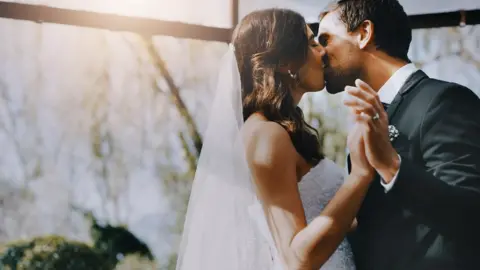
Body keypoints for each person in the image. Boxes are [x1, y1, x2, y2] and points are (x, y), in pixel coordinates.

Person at [176, 8, 373, 270]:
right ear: (285, 62)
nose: (322, 52)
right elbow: (296, 259)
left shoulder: (282, 131)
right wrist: (360, 174)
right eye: (312, 43)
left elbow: (322, 219)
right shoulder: (266, 135)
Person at [317, 0, 480, 269]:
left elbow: (472, 215)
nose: (319, 52)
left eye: (325, 38)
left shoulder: (444, 101)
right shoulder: (365, 119)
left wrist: (391, 166)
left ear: (364, 34)